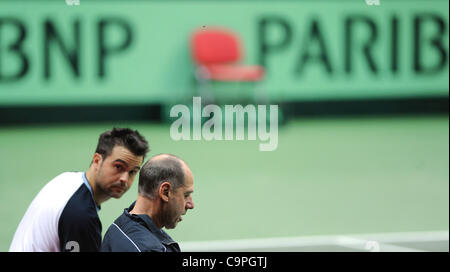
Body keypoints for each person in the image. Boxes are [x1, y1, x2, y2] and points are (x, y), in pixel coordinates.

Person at [9, 128, 149, 252]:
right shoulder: (81, 215)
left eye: (132, 172)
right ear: (97, 161)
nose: (125, 178)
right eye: (119, 167)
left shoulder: (67, 179)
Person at [101, 154, 194, 252]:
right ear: (165, 192)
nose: (191, 205)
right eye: (186, 195)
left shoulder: (117, 228)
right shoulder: (149, 249)